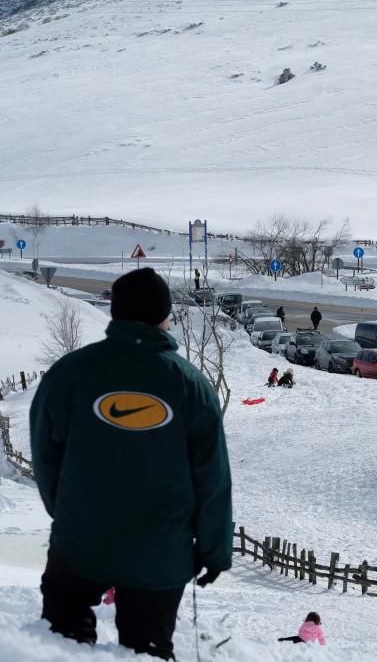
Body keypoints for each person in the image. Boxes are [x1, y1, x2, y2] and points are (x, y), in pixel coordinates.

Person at [30, 267, 232, 661]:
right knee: (146, 652)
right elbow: (212, 479)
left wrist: (66, 511)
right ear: (164, 316)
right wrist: (214, 550)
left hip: (79, 546)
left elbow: (45, 455)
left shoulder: (69, 374)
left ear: (114, 313)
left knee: (58, 649)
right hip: (161, 556)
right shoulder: (190, 385)